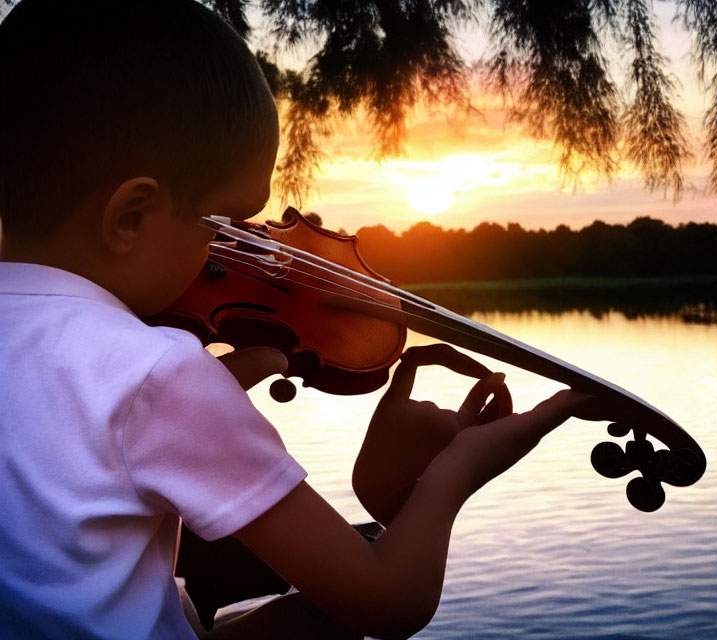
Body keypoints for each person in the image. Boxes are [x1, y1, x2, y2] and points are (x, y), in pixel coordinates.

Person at [0, 1, 596, 637]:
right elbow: (389, 603)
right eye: (226, 222)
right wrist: (453, 474)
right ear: (131, 217)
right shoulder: (157, 370)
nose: (244, 250)